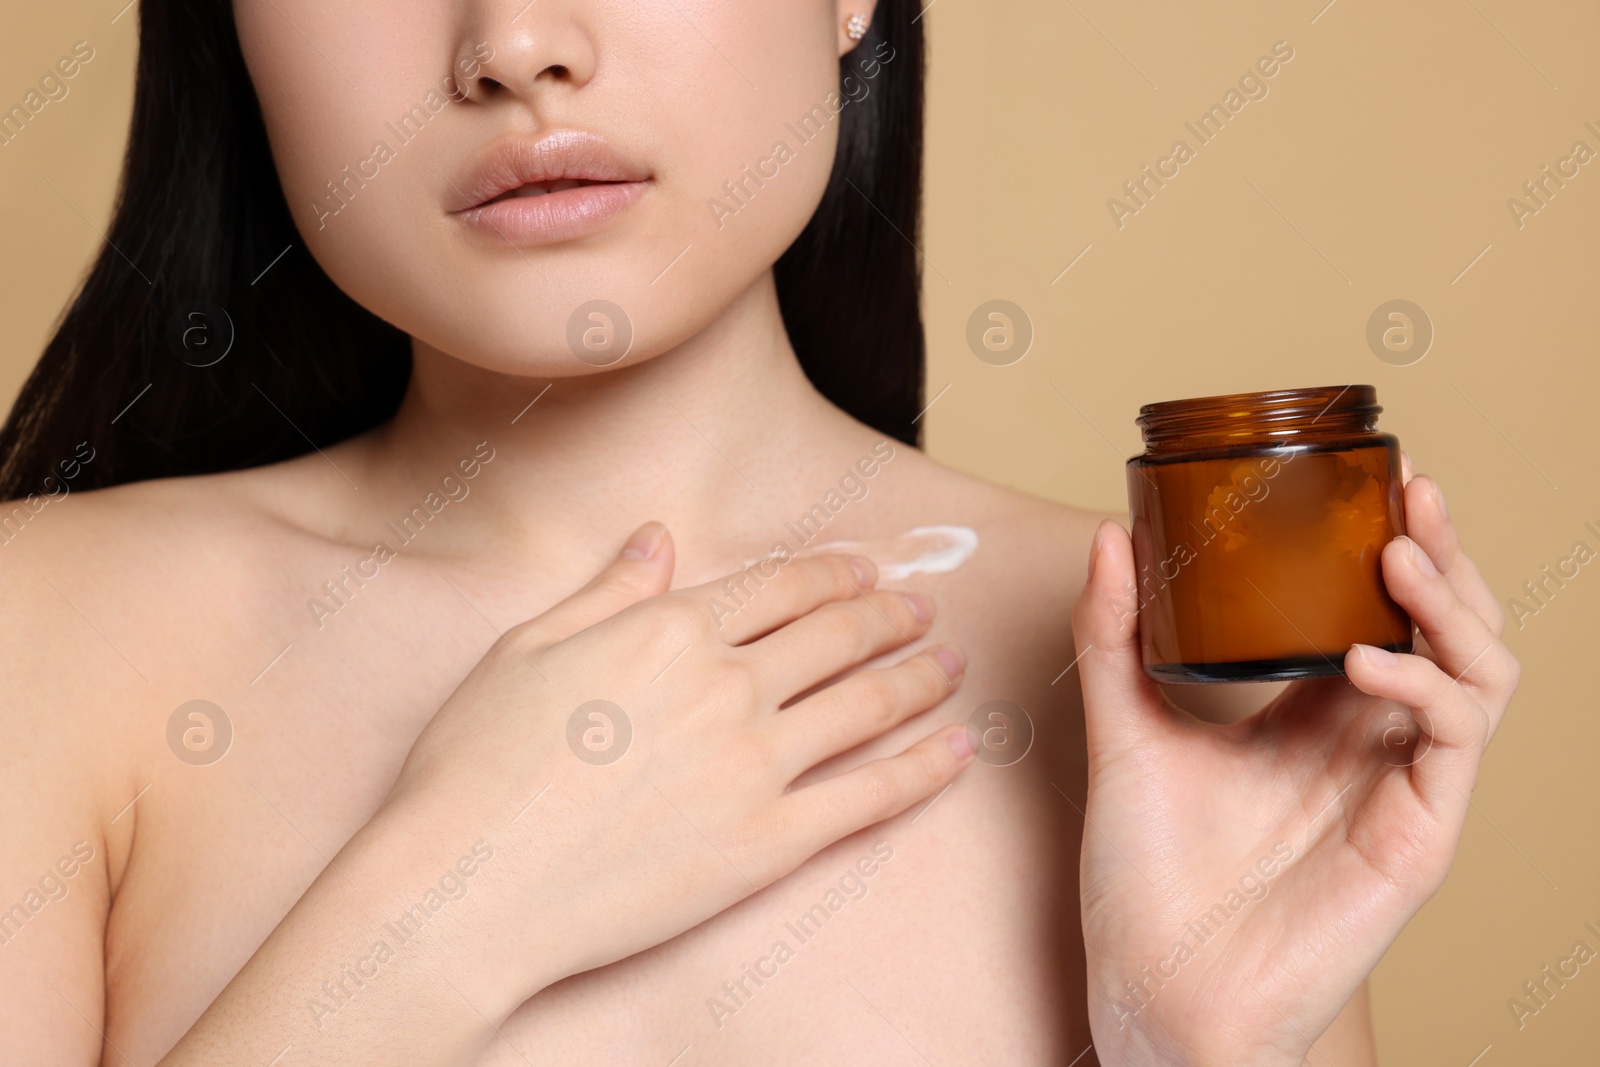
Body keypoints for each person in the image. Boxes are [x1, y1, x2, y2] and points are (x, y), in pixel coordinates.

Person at [0, 2, 1517, 1063]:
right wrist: (444, 913)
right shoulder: (51, 638)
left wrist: (1203, 1057)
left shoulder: (1149, 666)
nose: (516, 43)